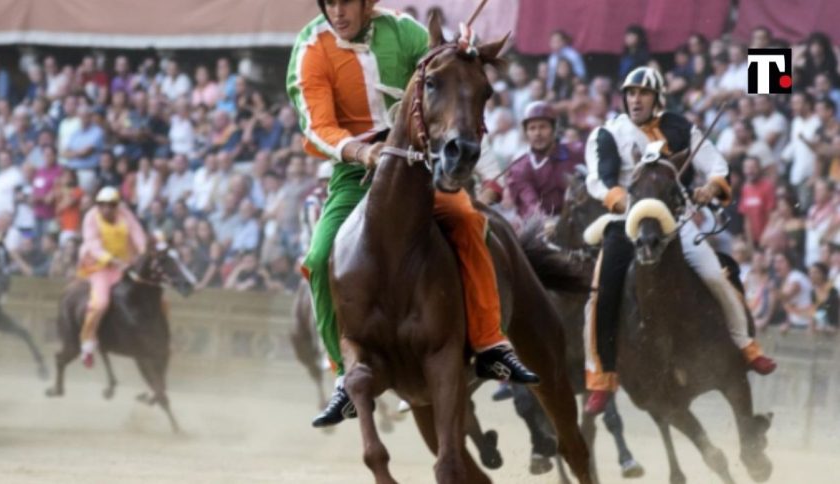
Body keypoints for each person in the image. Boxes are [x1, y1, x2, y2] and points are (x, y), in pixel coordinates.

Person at [287, 0, 538, 428]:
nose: (338, 13)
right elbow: (316, 126)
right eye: (329, 4)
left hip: (418, 161)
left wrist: (460, 52)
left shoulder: (404, 31)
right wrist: (362, 150)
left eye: (346, 3)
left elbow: (439, 71)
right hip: (354, 173)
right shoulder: (311, 47)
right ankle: (344, 376)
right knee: (317, 256)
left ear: (367, 3)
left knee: (469, 221)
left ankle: (491, 342)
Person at [582, 67, 777, 415]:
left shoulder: (681, 127)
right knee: (601, 294)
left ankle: (746, 345)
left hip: (676, 218)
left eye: (643, 93)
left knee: (716, 275)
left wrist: (709, 187)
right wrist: (624, 200)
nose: (635, 99)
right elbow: (598, 180)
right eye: (630, 93)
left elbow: (716, 165)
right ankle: (602, 375)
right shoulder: (608, 132)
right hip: (625, 221)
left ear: (658, 98)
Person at [76, 187, 147, 367]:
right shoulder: (91, 217)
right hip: (99, 266)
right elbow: (93, 244)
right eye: (102, 205)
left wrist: (143, 252)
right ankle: (87, 343)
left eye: (111, 205)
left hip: (125, 264)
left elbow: (137, 232)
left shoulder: (125, 213)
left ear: (117, 205)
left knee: (151, 294)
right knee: (100, 303)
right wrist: (112, 260)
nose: (107, 208)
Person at [506, 101, 584, 218]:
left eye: (543, 127)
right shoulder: (519, 167)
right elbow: (530, 202)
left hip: (576, 219)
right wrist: (545, 221)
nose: (537, 133)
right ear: (526, 133)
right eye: (532, 128)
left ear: (554, 129)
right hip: (539, 225)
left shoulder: (576, 152)